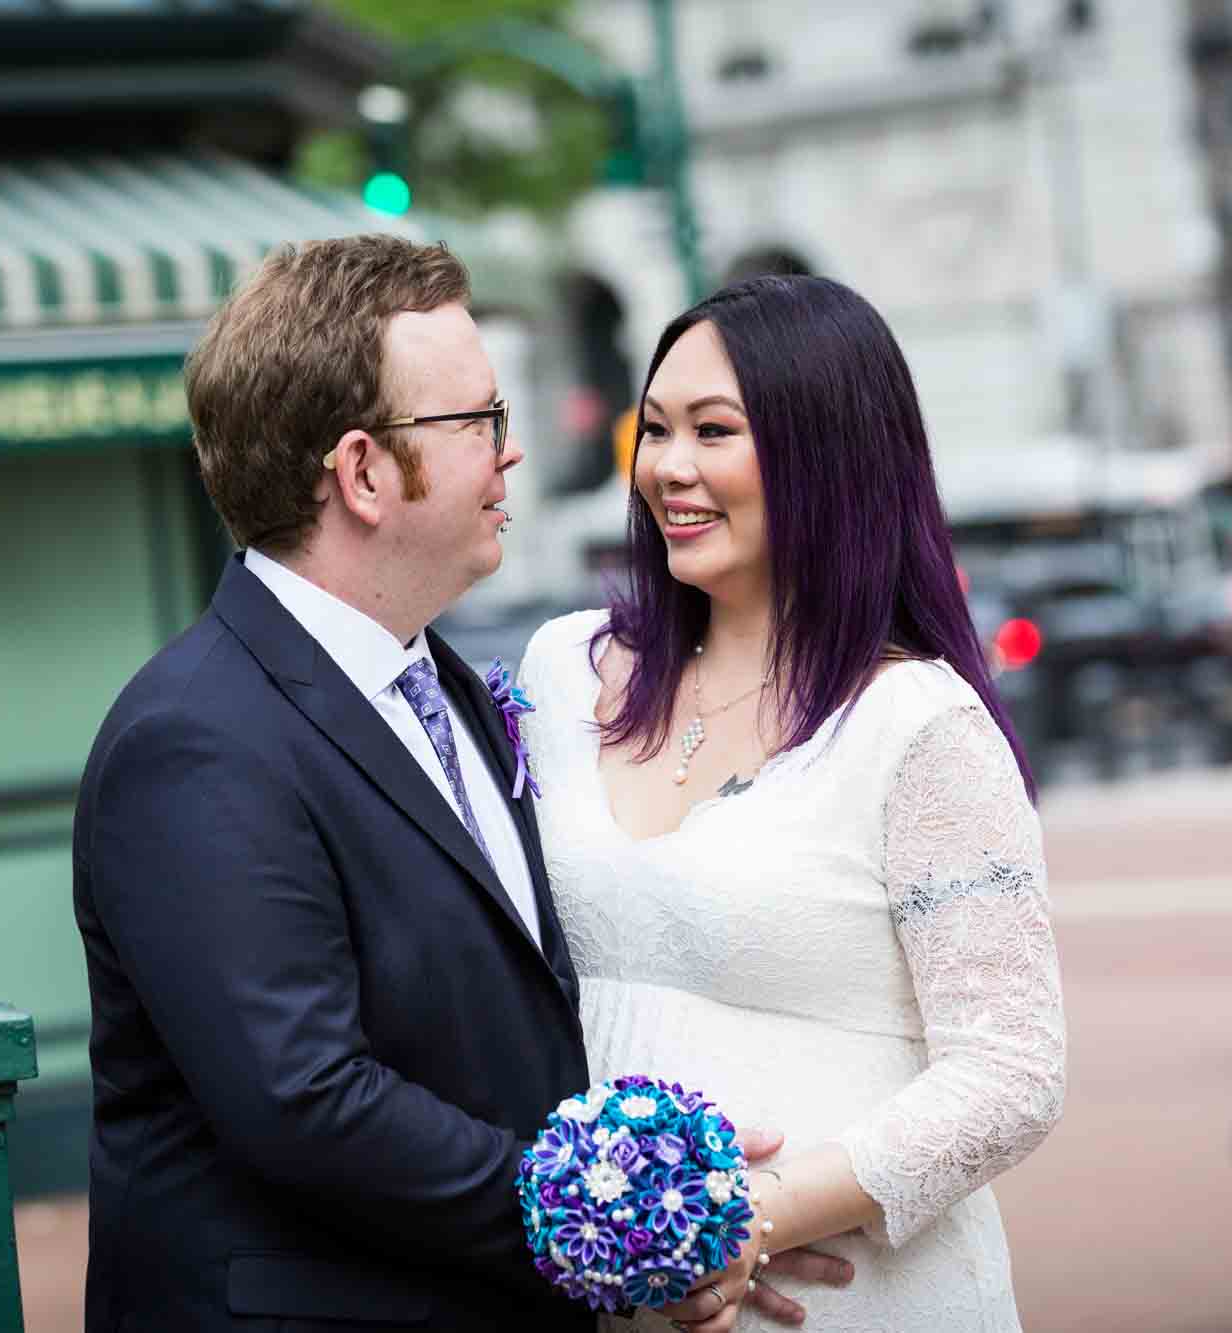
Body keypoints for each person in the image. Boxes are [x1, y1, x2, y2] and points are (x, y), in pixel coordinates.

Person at [71, 236, 835, 1333]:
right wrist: (621, 1220)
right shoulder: (195, 738)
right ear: (364, 472)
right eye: (478, 421)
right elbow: (304, 1101)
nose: (509, 454)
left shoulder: (459, 690)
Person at [517, 274, 1068, 1331]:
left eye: (713, 431)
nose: (667, 469)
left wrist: (745, 1218)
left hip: (851, 1303)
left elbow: (1010, 1072)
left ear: (825, 454)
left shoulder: (916, 725)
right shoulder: (560, 674)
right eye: (658, 429)